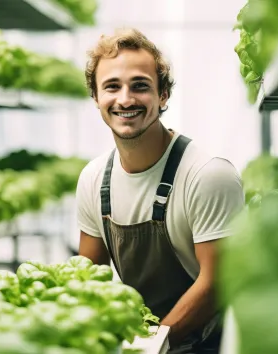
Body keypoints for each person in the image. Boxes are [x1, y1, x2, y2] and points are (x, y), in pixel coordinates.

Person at [76, 28, 245, 353]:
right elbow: (87, 279)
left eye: (140, 86)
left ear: (163, 94)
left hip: (205, 344)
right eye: (112, 86)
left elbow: (217, 283)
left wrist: (153, 342)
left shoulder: (207, 174)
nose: (125, 99)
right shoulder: (94, 179)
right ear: (96, 97)